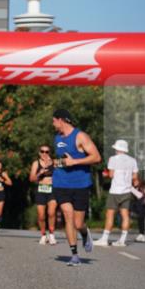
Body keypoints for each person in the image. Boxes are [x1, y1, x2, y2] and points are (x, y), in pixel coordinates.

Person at [50, 108, 102, 266]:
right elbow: (62, 160)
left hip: (80, 184)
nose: (53, 124)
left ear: (61, 120)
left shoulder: (80, 136)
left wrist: (75, 162)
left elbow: (97, 157)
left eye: (54, 120)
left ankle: (85, 233)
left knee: (78, 224)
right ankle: (74, 255)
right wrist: (54, 163)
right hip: (60, 183)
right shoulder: (57, 138)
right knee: (67, 215)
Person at [94, 139, 139, 247]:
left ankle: (104, 239)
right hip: (127, 191)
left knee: (110, 215)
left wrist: (106, 174)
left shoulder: (113, 159)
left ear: (118, 149)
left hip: (115, 191)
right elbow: (135, 177)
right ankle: (122, 240)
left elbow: (111, 175)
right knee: (125, 215)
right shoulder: (132, 160)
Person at [29, 145, 58, 245]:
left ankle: (52, 235)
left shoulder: (54, 162)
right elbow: (31, 179)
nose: (44, 153)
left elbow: (66, 167)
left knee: (51, 213)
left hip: (52, 189)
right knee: (41, 216)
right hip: (40, 189)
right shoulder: (36, 163)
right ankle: (43, 235)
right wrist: (39, 173)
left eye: (47, 152)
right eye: (42, 151)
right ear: (39, 153)